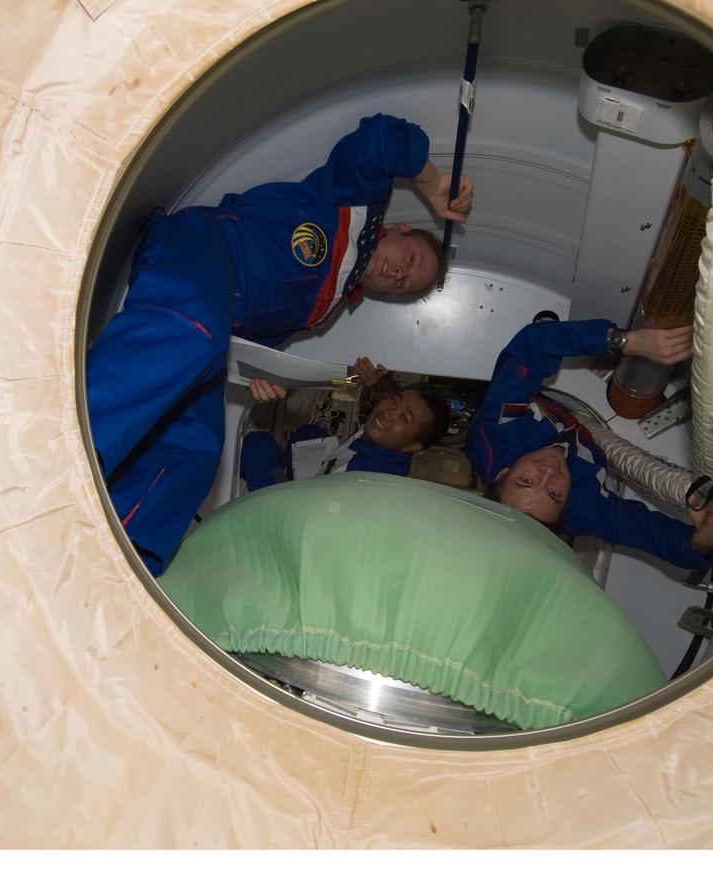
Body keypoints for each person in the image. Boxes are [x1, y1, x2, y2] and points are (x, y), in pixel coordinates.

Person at [88, 114, 475, 572]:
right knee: (196, 337)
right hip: (200, 249)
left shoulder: (321, 312)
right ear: (400, 231)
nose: (400, 274)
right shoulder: (355, 206)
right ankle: (69, 444)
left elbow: (244, 344)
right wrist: (431, 183)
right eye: (410, 260)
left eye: (407, 285)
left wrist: (259, 378)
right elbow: (382, 136)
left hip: (211, 319)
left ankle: (126, 559)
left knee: (198, 446)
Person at [465, 318, 713, 569]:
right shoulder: (584, 508)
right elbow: (645, 534)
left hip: (548, 408)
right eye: (555, 493)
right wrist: (705, 542)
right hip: (585, 434)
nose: (549, 471)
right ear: (566, 506)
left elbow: (530, 348)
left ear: (504, 474)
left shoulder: (495, 433)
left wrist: (625, 342)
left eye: (526, 480)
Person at [240, 358, 452, 489]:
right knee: (310, 433)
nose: (389, 413)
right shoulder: (390, 440)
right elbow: (387, 392)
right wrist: (373, 379)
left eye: (404, 418)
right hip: (321, 478)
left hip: (297, 509)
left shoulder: (362, 479)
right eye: (395, 403)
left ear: (413, 447)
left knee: (258, 445)